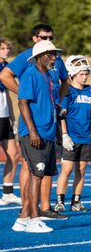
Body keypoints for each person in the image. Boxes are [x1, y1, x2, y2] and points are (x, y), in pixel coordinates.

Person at [1, 24, 68, 222]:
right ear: (34, 39)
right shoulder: (30, 60)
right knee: (32, 167)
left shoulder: (51, 64)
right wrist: (27, 96)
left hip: (49, 121)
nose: (47, 39)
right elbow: (5, 76)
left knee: (47, 166)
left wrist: (57, 104)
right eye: (43, 36)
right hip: (34, 123)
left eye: (50, 36)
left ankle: (44, 208)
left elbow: (65, 80)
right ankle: (28, 211)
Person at [12, 40, 62, 233]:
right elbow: (23, 103)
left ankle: (23, 219)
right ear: (39, 57)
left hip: (47, 132)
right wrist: (32, 131)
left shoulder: (48, 76)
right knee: (37, 175)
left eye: (54, 54)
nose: (54, 57)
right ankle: (34, 220)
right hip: (35, 133)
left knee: (39, 175)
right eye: (50, 54)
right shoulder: (30, 74)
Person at [54, 55, 91, 213]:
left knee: (81, 170)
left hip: (85, 137)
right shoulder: (67, 92)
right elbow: (62, 116)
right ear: (72, 73)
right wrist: (65, 135)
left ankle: (76, 201)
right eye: (81, 73)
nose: (85, 76)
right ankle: (60, 201)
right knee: (66, 170)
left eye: (86, 73)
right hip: (71, 138)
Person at [0, 38, 21, 205]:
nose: (6, 51)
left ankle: (7, 192)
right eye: (2, 48)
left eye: (7, 48)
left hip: (4, 117)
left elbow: (6, 93)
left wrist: (12, 117)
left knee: (14, 155)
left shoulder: (7, 68)